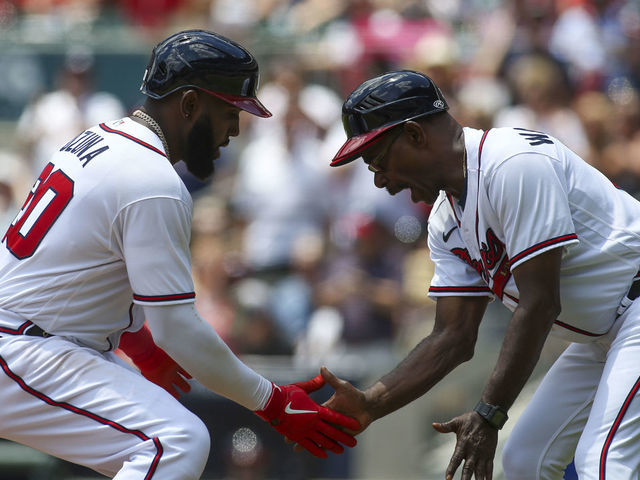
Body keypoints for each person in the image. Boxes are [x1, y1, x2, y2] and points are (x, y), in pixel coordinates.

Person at [0, 30, 359, 479]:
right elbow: (179, 330)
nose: (235, 128)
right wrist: (274, 401)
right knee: (176, 441)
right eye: (229, 111)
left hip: (36, 339)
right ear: (189, 105)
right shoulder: (153, 181)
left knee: (166, 439)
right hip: (23, 347)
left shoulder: (98, 139)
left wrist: (140, 345)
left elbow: (85, 271)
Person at [322, 70, 640, 480]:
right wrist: (371, 403)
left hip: (634, 311)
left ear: (416, 135)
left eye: (378, 160)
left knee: (606, 464)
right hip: (604, 333)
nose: (380, 180)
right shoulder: (444, 220)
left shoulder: (511, 163)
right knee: (526, 458)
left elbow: (540, 304)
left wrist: (488, 414)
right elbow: (452, 336)